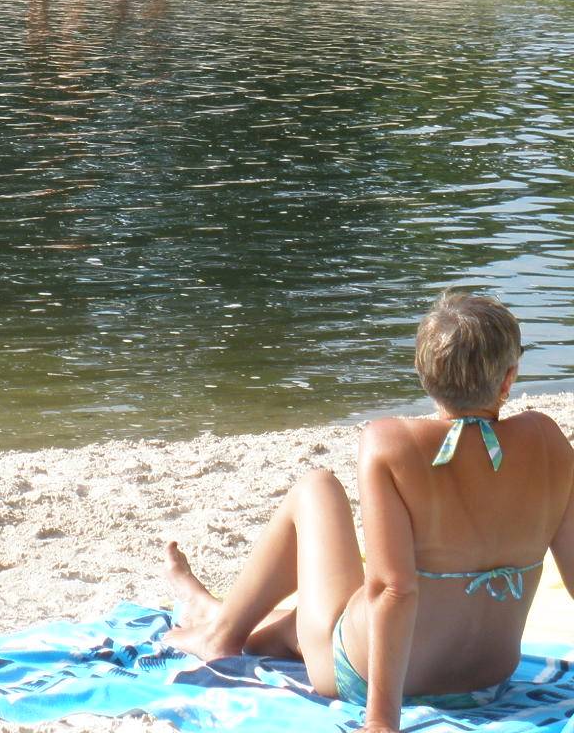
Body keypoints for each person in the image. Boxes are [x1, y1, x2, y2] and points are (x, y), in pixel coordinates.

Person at [166, 292, 574, 732]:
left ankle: (220, 632)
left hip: (365, 678)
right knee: (306, 621)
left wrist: (381, 720)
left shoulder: (391, 443)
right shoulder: (547, 440)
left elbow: (391, 589)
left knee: (317, 488)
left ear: (423, 373)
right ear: (509, 377)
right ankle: (214, 612)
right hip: (486, 682)